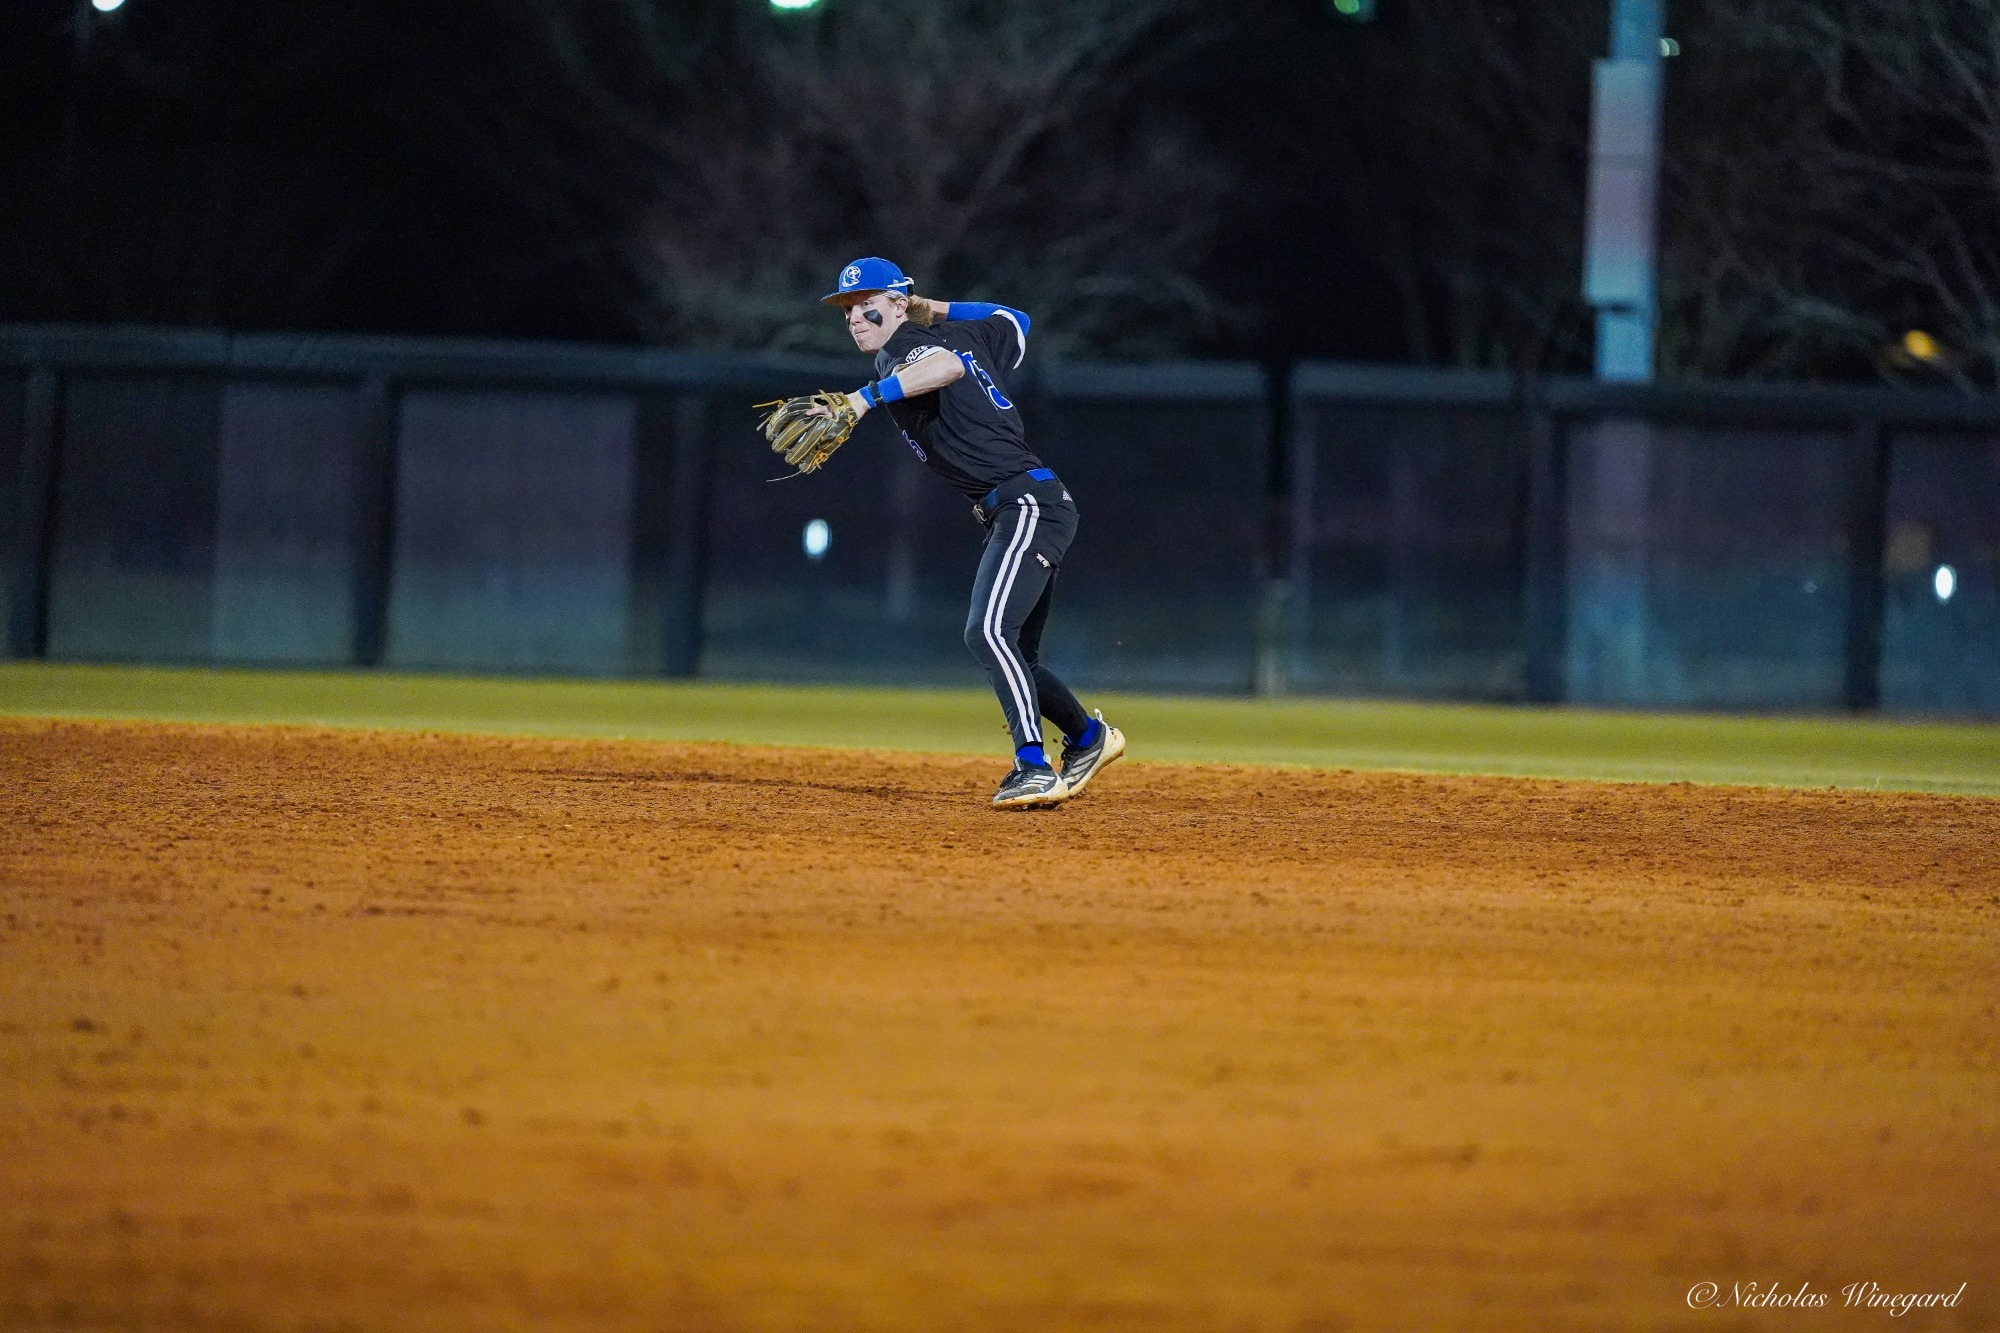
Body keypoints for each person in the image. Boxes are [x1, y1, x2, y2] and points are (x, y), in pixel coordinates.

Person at [818, 256, 1124, 810]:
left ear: (896, 303)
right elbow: (1017, 320)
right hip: (1029, 503)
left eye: (868, 306)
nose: (856, 319)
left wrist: (866, 398)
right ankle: (1086, 738)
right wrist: (935, 306)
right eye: (847, 310)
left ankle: (1032, 766)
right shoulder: (964, 331)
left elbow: (944, 369)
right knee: (1014, 652)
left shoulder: (904, 350)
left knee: (985, 631)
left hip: (1024, 502)